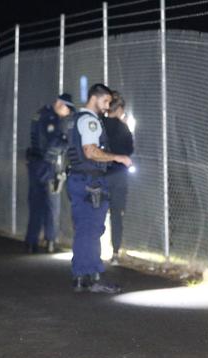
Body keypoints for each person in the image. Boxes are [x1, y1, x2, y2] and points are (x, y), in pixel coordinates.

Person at [66, 83, 132, 293]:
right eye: (105, 102)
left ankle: (81, 276)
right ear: (95, 98)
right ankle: (92, 276)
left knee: (85, 229)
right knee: (91, 229)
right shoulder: (89, 121)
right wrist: (117, 157)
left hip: (79, 179)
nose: (106, 107)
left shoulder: (76, 118)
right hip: (90, 181)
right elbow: (91, 151)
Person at [25, 93, 75, 253]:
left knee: (36, 203)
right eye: (68, 109)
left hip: (35, 163)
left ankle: (32, 241)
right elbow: (52, 144)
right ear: (61, 105)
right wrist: (66, 142)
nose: (68, 114)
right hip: (46, 165)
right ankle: (50, 240)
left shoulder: (41, 114)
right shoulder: (51, 118)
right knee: (52, 203)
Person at [104, 91, 134, 266]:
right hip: (119, 175)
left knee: (98, 211)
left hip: (101, 174)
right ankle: (115, 252)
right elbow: (130, 149)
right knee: (117, 214)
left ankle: (93, 248)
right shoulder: (123, 127)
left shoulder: (100, 124)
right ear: (120, 108)